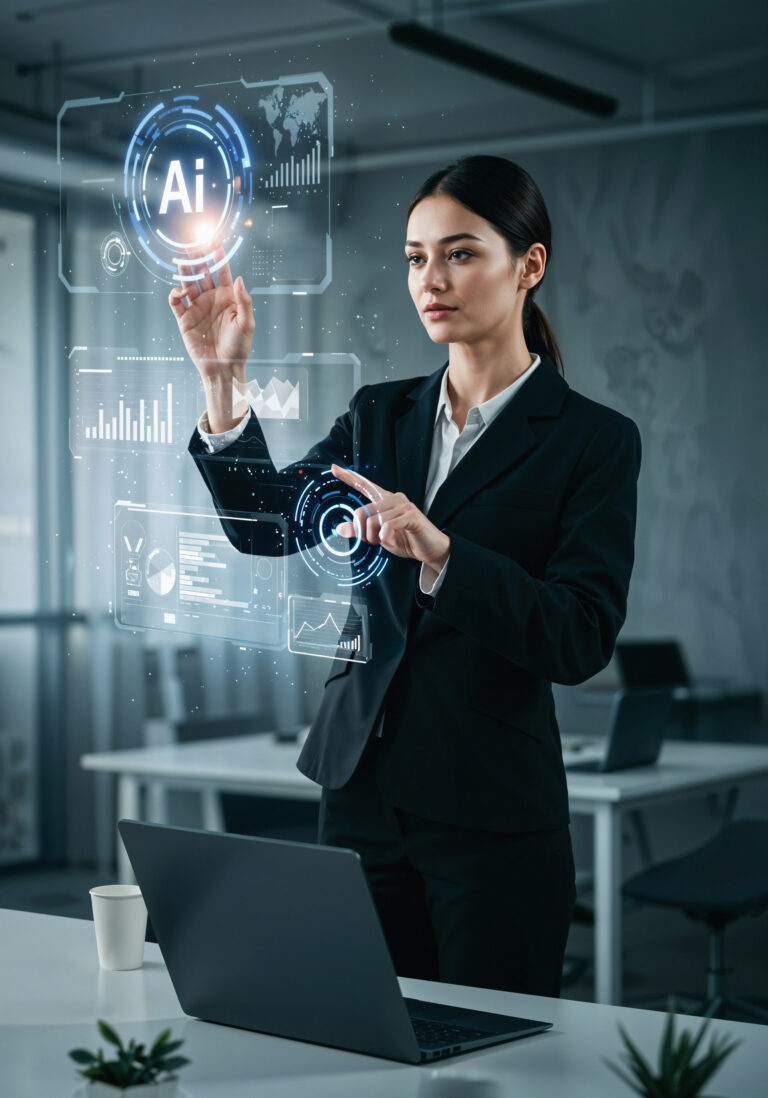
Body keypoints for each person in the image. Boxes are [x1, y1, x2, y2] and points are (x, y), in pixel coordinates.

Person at [169, 155, 641, 997]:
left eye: (461, 253)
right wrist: (221, 380)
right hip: (362, 796)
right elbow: (267, 525)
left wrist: (443, 554)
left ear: (529, 266)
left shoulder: (592, 441)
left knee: (491, 1060)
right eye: (417, 257)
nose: (433, 278)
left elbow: (579, 636)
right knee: (366, 1043)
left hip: (490, 809)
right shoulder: (380, 414)